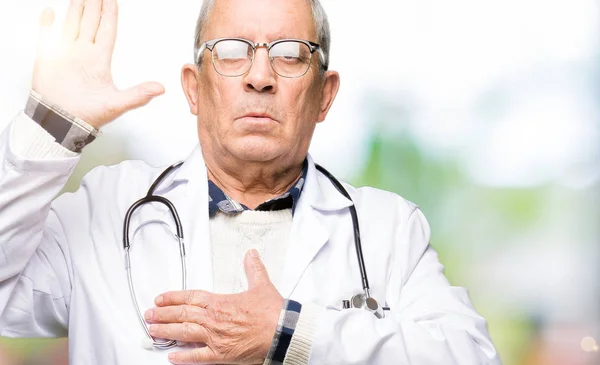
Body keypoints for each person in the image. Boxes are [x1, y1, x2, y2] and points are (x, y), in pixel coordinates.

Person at [0, 0, 501, 364]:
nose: (259, 76)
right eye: (232, 51)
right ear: (194, 89)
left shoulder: (388, 229)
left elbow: (471, 357)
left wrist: (295, 334)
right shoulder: (106, 211)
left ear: (325, 96)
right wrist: (49, 128)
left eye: (289, 54)